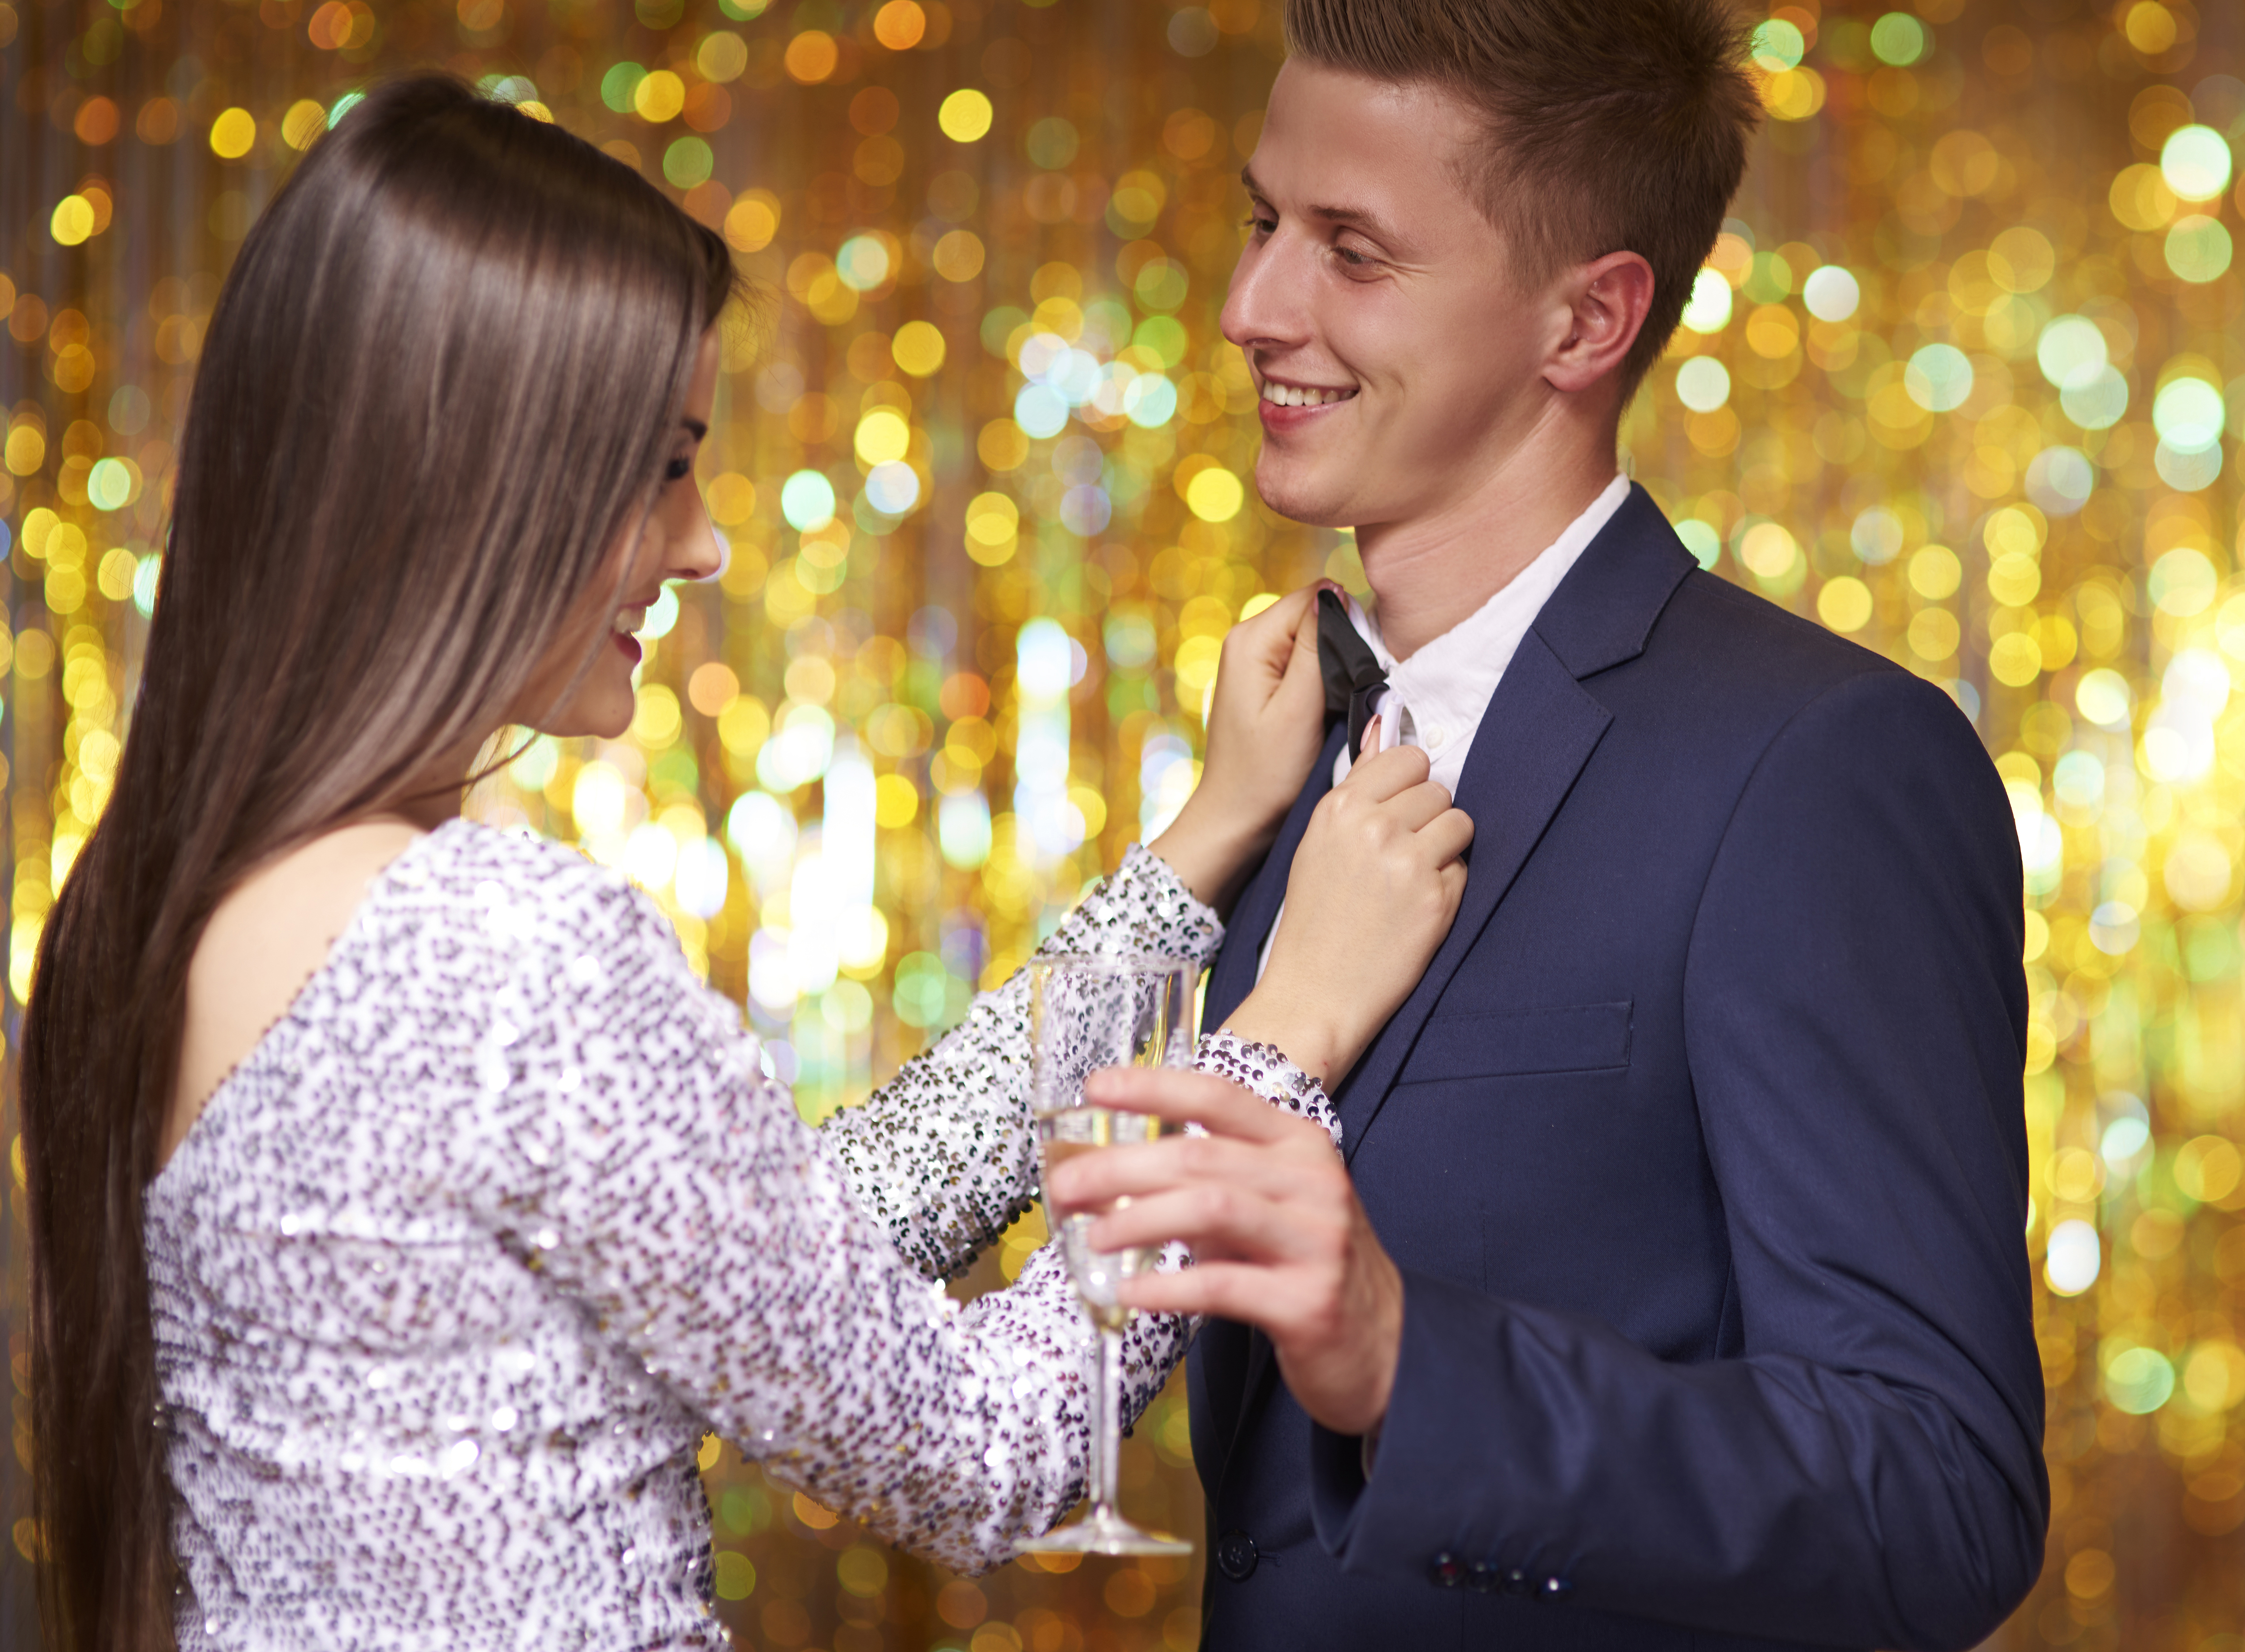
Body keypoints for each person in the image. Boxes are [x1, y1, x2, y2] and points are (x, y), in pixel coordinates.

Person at [17, 77, 1472, 1651]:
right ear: (479, 473)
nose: (705, 542)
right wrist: (1289, 1032)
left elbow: (800, 1241)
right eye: (663, 463)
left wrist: (1193, 856)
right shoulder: (491, 950)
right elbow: (977, 1453)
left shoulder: (173, 906)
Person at [1048, 3, 2050, 1648]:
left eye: (1350, 252)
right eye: (1262, 224)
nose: (1248, 308)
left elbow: (1937, 1490)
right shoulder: (1282, 760)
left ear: (1587, 321)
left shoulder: (1818, 763)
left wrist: (1406, 1362)